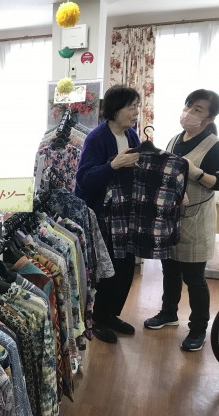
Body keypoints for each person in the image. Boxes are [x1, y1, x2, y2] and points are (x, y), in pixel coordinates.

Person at [144, 89, 219, 352]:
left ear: (209, 117)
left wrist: (196, 172)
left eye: (197, 109)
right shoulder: (175, 139)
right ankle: (168, 313)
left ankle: (198, 328)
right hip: (171, 217)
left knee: (194, 278)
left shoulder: (214, 145)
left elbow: (218, 183)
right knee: (170, 269)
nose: (189, 112)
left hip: (196, 220)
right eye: (188, 106)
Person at [75, 85, 141, 344]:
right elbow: (85, 180)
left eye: (137, 107)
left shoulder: (132, 135)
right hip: (102, 215)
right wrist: (113, 165)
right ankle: (98, 319)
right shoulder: (97, 138)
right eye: (131, 107)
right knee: (106, 267)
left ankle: (112, 314)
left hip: (126, 214)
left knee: (126, 266)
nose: (136, 112)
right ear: (115, 110)